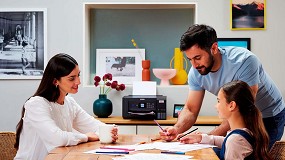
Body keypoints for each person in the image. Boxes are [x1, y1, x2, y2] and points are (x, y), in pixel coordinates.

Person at [159, 24, 285, 148]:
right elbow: (191, 109)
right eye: (190, 59)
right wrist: (176, 129)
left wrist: (206, 138)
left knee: (257, 155)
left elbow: (242, 109)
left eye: (197, 57)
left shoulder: (244, 61)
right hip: (239, 117)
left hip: (269, 115)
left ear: (214, 48)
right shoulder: (196, 73)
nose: (194, 65)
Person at [14, 53, 118, 160]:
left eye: (78, 75)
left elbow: (95, 126)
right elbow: (56, 138)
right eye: (72, 78)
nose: (78, 82)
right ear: (55, 81)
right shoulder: (36, 104)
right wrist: (86, 137)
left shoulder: (69, 102)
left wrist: (109, 131)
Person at [178, 80, 271, 160]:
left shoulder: (235, 140)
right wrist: (201, 138)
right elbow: (226, 141)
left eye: (218, 101)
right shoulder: (244, 133)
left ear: (231, 105)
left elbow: (231, 143)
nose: (216, 106)